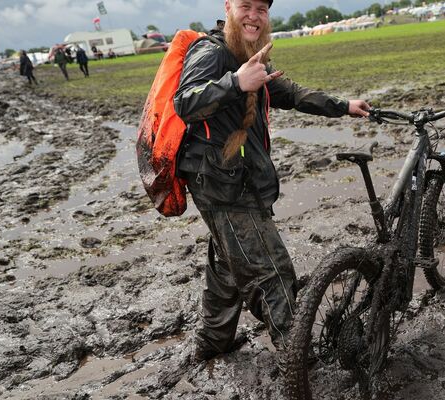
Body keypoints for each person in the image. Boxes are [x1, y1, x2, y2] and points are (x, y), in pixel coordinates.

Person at [173, 0, 370, 361]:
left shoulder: (251, 54)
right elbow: (184, 102)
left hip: (235, 177)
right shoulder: (210, 51)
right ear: (229, 7)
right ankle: (297, 360)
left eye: (261, 9)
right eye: (246, 6)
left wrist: (342, 105)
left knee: (227, 265)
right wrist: (236, 82)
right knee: (271, 270)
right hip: (221, 183)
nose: (254, 16)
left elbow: (288, 93)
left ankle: (213, 342)